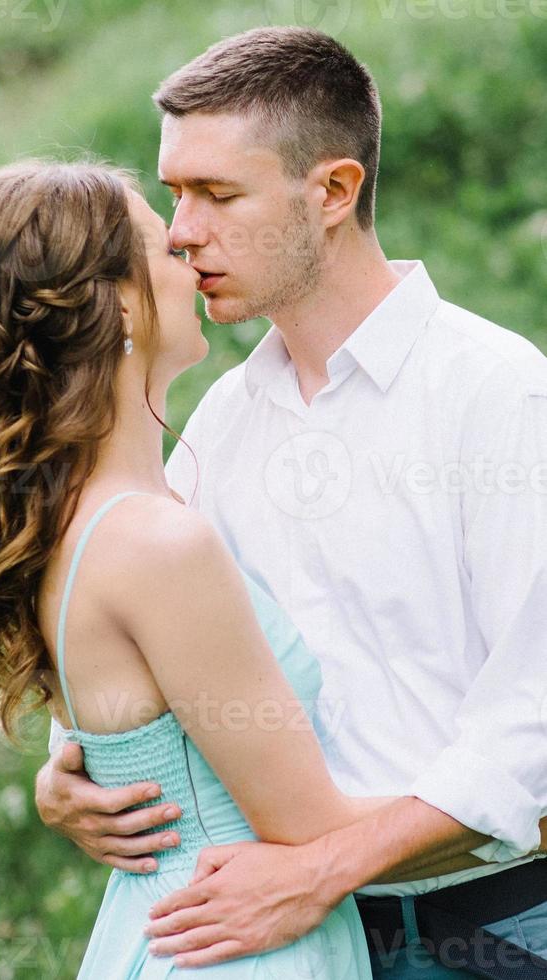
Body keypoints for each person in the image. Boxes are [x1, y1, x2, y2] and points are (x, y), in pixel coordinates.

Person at [39, 27, 547, 979]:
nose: (183, 231)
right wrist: (70, 769)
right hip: (298, 942)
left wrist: (319, 867)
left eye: (218, 194)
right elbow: (168, 644)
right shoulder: (222, 421)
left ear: (333, 192)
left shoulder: (500, 396)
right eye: (174, 193)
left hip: (499, 938)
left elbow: (535, 725)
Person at [0, 156, 433, 978]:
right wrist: (519, 811)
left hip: (166, 929)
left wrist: (69, 773)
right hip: (241, 942)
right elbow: (316, 828)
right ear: (119, 301)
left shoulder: (76, 517)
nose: (190, 251)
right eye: (162, 245)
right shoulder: (158, 544)